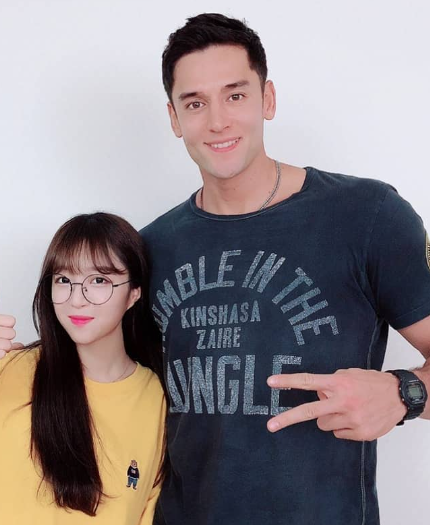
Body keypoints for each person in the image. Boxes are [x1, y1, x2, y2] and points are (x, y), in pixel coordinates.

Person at [140, 13, 430, 525]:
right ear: (174, 118)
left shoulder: (367, 216)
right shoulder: (150, 248)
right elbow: (103, 387)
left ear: (267, 99)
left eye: (235, 95)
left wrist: (405, 392)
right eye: (195, 103)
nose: (217, 121)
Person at [0, 212, 167, 525]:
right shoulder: (4, 374)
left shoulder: (156, 400)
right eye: (64, 280)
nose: (77, 299)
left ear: (134, 293)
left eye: (99, 280)